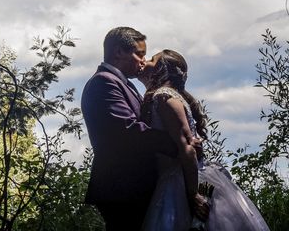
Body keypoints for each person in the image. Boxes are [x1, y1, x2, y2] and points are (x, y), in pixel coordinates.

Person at [139, 49, 270, 231]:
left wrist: (193, 195)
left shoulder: (163, 96)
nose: (145, 61)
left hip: (181, 181)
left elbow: (188, 148)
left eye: (152, 59)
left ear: (162, 69)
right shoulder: (169, 96)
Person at [81, 27, 181, 230]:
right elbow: (129, 130)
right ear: (118, 52)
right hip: (123, 187)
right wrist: (178, 143)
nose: (143, 61)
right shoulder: (104, 83)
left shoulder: (122, 83)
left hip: (132, 186)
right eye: (139, 54)